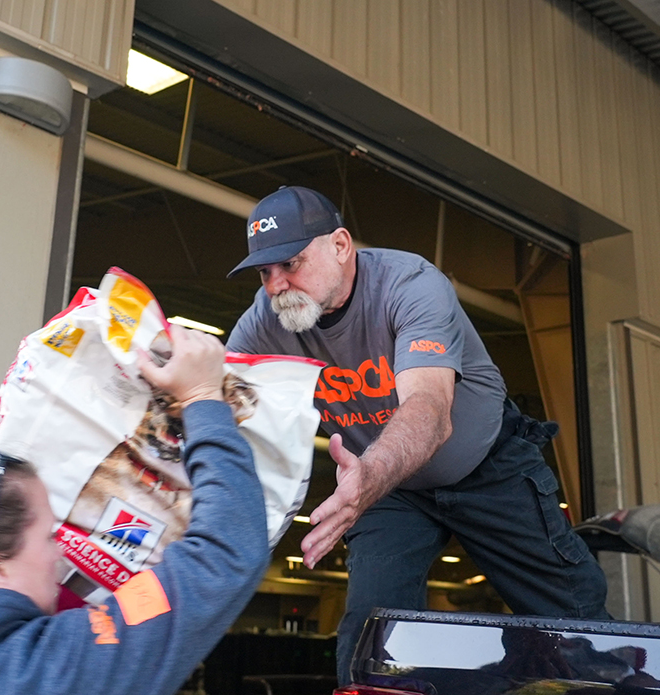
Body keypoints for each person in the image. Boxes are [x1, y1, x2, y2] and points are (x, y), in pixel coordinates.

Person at [225, 185, 609, 684]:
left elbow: (429, 410)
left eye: (290, 264)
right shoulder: (265, 321)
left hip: (483, 468)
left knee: (574, 621)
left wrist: (368, 476)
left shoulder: (410, 285)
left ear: (340, 245)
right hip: (392, 491)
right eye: (264, 272)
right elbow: (216, 405)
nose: (276, 285)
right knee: (373, 635)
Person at [0, 326, 268, 695]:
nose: (61, 552)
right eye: (47, 536)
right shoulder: (43, 672)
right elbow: (221, 558)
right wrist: (202, 397)